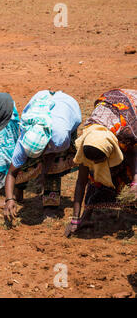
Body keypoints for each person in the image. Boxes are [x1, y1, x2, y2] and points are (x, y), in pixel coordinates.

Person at [65, 89, 137, 237]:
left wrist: (135, 183)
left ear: (111, 151)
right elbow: (81, 182)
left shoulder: (126, 134)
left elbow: (134, 155)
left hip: (130, 113)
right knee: (95, 176)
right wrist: (75, 220)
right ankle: (89, 209)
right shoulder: (88, 144)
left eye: (101, 160)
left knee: (128, 171)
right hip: (108, 121)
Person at [3, 90, 82, 221]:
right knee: (24, 163)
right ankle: (17, 194)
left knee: (55, 164)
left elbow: (51, 155)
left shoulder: (59, 138)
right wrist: (8, 199)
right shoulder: (25, 137)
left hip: (68, 107)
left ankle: (51, 205)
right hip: (42, 99)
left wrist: (44, 173)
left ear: (47, 145)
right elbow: (11, 172)